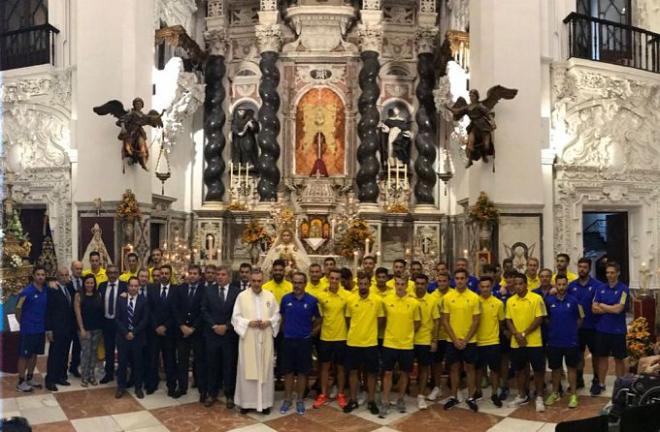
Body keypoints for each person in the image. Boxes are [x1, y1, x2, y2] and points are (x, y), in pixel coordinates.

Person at [232, 270, 281, 414]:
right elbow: (235, 317)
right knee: (247, 369)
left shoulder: (270, 296)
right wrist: (248, 323)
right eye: (254, 281)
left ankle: (265, 404)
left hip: (265, 338)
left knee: (264, 370)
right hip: (248, 338)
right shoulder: (242, 296)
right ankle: (246, 403)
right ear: (250, 281)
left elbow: (277, 315)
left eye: (259, 281)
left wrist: (269, 322)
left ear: (263, 280)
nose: (256, 284)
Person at [279, 273, 321, 415]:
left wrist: (311, 333)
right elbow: (282, 318)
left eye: (300, 282)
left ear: (305, 283)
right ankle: (287, 399)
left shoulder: (312, 300)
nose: (297, 285)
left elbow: (318, 320)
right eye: (295, 282)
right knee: (288, 371)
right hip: (288, 341)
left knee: (303, 372)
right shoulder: (285, 299)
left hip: (304, 342)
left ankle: (300, 400)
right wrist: (286, 332)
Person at [343, 274, 385, 415]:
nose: (363, 286)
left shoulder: (377, 300)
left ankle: (371, 401)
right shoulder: (350, 300)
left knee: (372, 373)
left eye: (365, 283)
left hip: (370, 343)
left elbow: (380, 320)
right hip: (353, 342)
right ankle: (353, 400)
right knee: (353, 372)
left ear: (369, 284)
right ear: (357, 284)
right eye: (360, 283)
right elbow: (348, 319)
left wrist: (369, 331)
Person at [380, 277, 421, 418]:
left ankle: (401, 399)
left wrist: (407, 334)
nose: (400, 286)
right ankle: (385, 401)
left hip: (406, 344)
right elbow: (383, 320)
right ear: (394, 285)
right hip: (389, 343)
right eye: (397, 284)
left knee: (405, 373)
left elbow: (417, 323)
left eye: (403, 284)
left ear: (407, 286)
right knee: (387, 373)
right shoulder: (386, 301)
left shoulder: (414, 303)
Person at [505, 273, 547, 412]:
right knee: (519, 370)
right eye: (515, 284)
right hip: (516, 342)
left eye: (520, 283)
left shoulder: (536, 298)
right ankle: (522, 395)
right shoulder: (510, 301)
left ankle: (539, 396)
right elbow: (508, 320)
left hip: (534, 342)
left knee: (538, 371)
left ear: (526, 284)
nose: (518, 286)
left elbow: (539, 318)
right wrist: (516, 334)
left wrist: (524, 333)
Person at [442, 268, 481, 412]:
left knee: (470, 368)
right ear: (454, 280)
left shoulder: (474, 297)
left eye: (462, 278)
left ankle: (471, 397)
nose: (459, 281)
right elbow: (445, 321)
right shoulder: (447, 297)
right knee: (454, 368)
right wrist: (455, 340)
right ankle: (453, 396)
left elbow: (476, 321)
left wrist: (465, 340)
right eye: (457, 278)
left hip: (469, 341)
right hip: (452, 341)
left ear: (467, 280)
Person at [201, 265, 240, 407]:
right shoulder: (208, 291)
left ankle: (229, 394)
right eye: (218, 274)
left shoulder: (237, 292)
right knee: (212, 365)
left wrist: (227, 326)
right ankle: (212, 393)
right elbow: (204, 310)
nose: (219, 277)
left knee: (229, 365)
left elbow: (238, 313)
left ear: (229, 277)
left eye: (223, 274)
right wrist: (214, 326)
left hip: (229, 336)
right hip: (212, 334)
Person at [544, 274, 583, 409]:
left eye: (563, 284)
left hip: (571, 341)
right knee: (555, 369)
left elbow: (580, 319)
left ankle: (573, 394)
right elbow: (546, 319)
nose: (561, 287)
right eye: (559, 284)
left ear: (567, 285)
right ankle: (555, 392)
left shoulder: (574, 300)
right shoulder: (549, 301)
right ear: (555, 285)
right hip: (554, 341)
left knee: (571, 368)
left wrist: (571, 330)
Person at [313, 269, 350, 409]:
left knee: (340, 368)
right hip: (325, 337)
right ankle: (323, 394)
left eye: (337, 279)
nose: (334, 281)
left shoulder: (347, 296)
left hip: (341, 337)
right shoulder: (321, 296)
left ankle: (340, 394)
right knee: (325, 368)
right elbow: (318, 316)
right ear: (328, 279)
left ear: (340, 280)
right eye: (332, 278)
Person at [591, 261, 629, 396]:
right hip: (602, 329)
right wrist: (610, 308)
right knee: (602, 357)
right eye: (608, 273)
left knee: (619, 359)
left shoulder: (624, 289)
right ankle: (601, 384)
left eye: (612, 272)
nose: (610, 275)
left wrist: (603, 305)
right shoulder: (600, 288)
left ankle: (620, 384)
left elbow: (619, 309)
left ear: (618, 273)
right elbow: (594, 309)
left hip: (618, 330)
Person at [568, 257, 603, 390]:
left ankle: (596, 379)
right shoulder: (571, 286)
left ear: (589, 269)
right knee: (578, 354)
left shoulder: (598, 286)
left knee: (596, 355)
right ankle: (579, 378)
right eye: (580, 267)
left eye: (585, 267)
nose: (582, 269)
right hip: (577, 327)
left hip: (593, 326)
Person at [174, 265, 207, 403]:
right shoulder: (180, 289)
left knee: (199, 361)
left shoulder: (205, 291)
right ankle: (182, 387)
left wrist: (193, 328)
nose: (192, 276)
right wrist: (182, 325)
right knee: (182, 360)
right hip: (182, 331)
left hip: (197, 332)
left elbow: (203, 311)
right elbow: (175, 308)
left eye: (195, 274)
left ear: (200, 276)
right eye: (190, 273)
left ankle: (202, 389)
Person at [115, 276, 149, 399]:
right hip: (122, 337)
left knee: (137, 364)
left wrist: (133, 332)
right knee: (122, 363)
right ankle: (120, 387)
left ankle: (138, 388)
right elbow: (117, 319)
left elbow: (145, 320)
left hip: (137, 337)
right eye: (131, 285)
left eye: (136, 286)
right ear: (128, 286)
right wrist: (126, 333)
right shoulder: (120, 300)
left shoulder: (143, 300)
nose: (133, 288)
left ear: (138, 287)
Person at [146, 264, 178, 396]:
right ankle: (151, 385)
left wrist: (165, 326)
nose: (164, 275)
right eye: (162, 273)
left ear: (170, 275)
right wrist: (156, 326)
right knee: (152, 359)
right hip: (154, 331)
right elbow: (149, 309)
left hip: (169, 331)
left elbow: (176, 311)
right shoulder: (151, 288)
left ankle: (171, 386)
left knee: (169, 360)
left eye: (166, 273)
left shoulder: (176, 290)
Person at [15, 266, 48, 392]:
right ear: (33, 276)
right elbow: (18, 309)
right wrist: (22, 323)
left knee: (34, 355)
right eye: (38, 274)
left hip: (40, 329)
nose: (40, 277)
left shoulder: (45, 290)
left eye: (43, 274)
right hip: (28, 329)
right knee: (24, 355)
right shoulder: (26, 292)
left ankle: (30, 377)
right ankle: (21, 381)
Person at [475, 276, 505, 408]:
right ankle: (478, 392)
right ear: (479, 287)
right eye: (483, 287)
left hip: (493, 341)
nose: (485, 289)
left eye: (488, 286)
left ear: (491, 287)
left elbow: (501, 322)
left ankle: (494, 393)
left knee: (494, 370)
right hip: (477, 341)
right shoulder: (474, 302)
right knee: (478, 369)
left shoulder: (498, 303)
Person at [45, 267, 75, 391]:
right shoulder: (52, 290)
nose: (64, 277)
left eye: (66, 275)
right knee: (54, 354)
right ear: (57, 277)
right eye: (61, 275)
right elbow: (48, 310)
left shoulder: (69, 288)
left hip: (68, 328)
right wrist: (49, 329)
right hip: (56, 329)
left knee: (64, 353)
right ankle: (50, 379)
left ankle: (61, 376)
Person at [412, 274, 439, 409]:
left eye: (423, 284)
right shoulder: (408, 297)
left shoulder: (432, 300)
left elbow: (436, 321)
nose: (420, 286)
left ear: (427, 284)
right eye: (418, 283)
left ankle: (421, 395)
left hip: (424, 340)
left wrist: (434, 340)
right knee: (405, 369)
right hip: (408, 340)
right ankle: (402, 395)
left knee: (424, 368)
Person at [98, 265, 126, 384]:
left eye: (115, 272)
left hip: (120, 323)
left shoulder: (125, 286)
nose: (112, 275)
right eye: (110, 273)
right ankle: (108, 373)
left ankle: (122, 373)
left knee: (121, 349)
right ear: (107, 274)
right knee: (108, 349)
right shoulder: (102, 286)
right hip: (106, 322)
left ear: (118, 273)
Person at [74, 274, 104, 387]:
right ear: (84, 283)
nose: (89, 285)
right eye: (87, 283)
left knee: (94, 353)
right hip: (84, 329)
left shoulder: (98, 294)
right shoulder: (79, 295)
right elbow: (78, 313)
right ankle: (84, 377)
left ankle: (92, 375)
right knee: (86, 353)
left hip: (97, 329)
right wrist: (81, 328)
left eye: (92, 283)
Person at [428, 271, 452, 402]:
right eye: (440, 281)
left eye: (444, 281)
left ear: (449, 282)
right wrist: (434, 338)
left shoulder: (454, 294)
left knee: (452, 364)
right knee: (436, 363)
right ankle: (437, 387)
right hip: (437, 335)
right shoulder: (432, 297)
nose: (442, 283)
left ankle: (454, 388)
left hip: (451, 335)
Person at [67, 261, 84, 378]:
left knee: (78, 345)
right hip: (68, 319)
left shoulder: (85, 282)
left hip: (80, 318)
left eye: (80, 269)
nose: (78, 271)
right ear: (72, 269)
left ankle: (74, 367)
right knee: (66, 345)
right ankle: (62, 368)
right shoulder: (66, 283)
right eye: (76, 269)